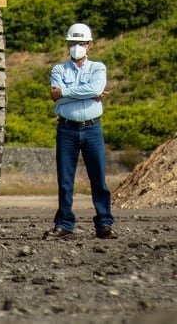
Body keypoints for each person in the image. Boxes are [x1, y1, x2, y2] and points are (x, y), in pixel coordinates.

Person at [45, 22, 115, 240]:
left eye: (81, 42)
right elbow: (90, 91)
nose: (77, 46)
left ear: (90, 45)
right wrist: (89, 93)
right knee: (65, 180)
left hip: (92, 127)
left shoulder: (98, 67)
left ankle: (104, 222)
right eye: (73, 42)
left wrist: (66, 92)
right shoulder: (58, 69)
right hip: (66, 128)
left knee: (98, 178)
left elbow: (68, 92)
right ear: (68, 45)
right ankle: (64, 222)